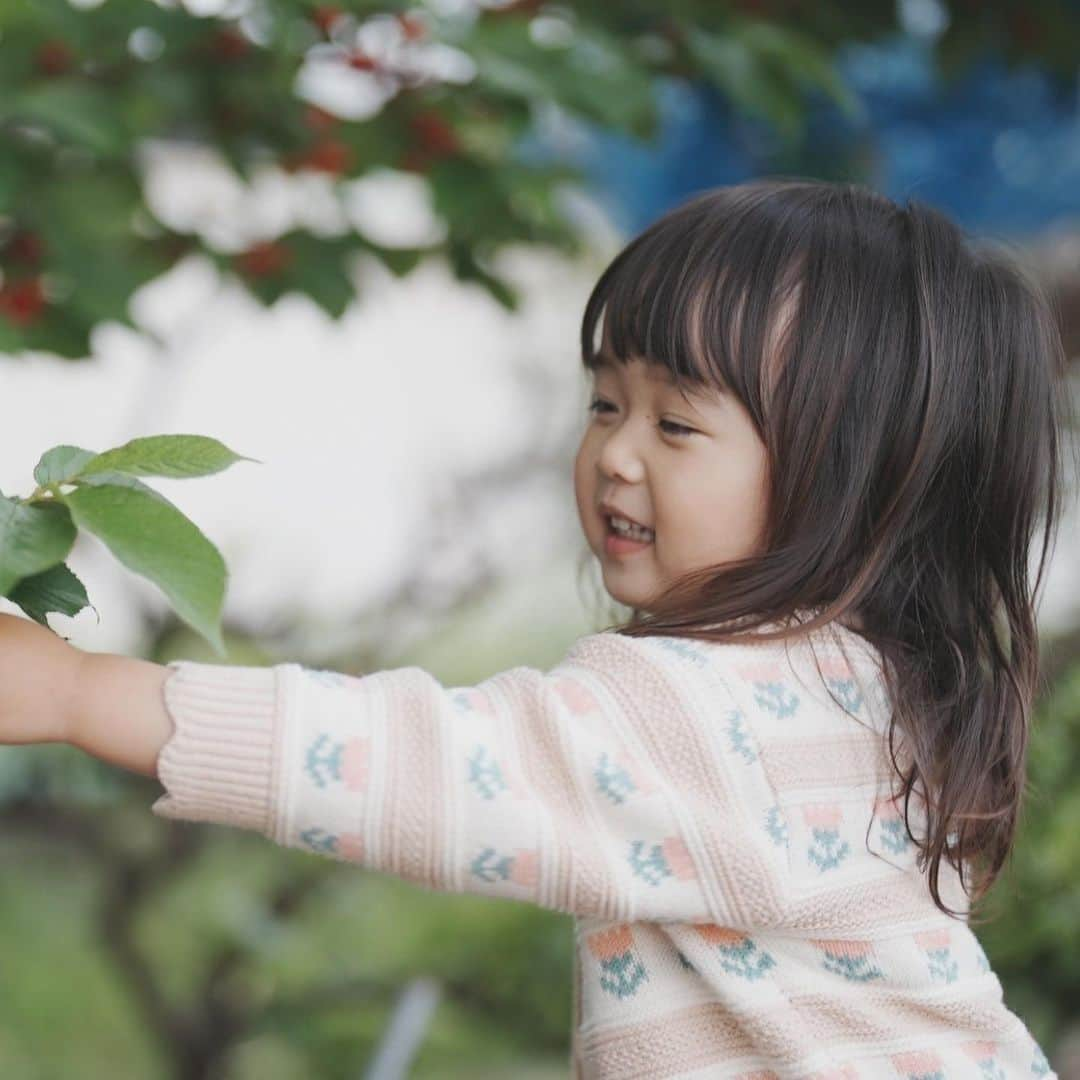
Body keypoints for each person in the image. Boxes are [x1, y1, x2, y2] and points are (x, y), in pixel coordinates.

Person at [0, 177, 1068, 1078]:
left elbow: (432, 768)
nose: (616, 453)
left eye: (678, 421)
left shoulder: (705, 710)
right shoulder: (863, 686)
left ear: (858, 481)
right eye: (605, 403)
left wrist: (79, 695)